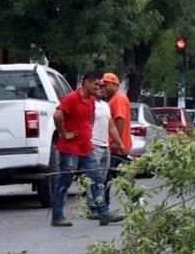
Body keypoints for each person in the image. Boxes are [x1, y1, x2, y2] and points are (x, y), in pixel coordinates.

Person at [50, 71, 99, 227]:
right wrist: (63, 133)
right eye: (95, 84)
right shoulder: (71, 98)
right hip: (71, 148)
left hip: (86, 147)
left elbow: (90, 118)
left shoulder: (91, 100)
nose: (98, 88)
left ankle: (102, 212)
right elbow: (57, 116)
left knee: (96, 178)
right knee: (65, 181)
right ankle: (57, 216)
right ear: (86, 82)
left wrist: (87, 131)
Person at [88, 81, 127, 224]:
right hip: (93, 144)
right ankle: (93, 208)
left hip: (105, 146)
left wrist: (119, 143)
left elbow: (111, 127)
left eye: (103, 87)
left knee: (103, 179)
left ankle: (100, 207)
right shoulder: (90, 104)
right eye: (99, 87)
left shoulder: (105, 105)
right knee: (94, 177)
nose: (101, 89)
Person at [99, 72, 133, 207]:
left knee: (107, 177)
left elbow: (120, 120)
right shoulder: (114, 99)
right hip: (118, 145)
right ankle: (136, 199)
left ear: (115, 85)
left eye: (106, 85)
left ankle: (103, 206)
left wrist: (115, 142)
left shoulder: (118, 99)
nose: (104, 88)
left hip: (117, 147)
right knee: (119, 176)